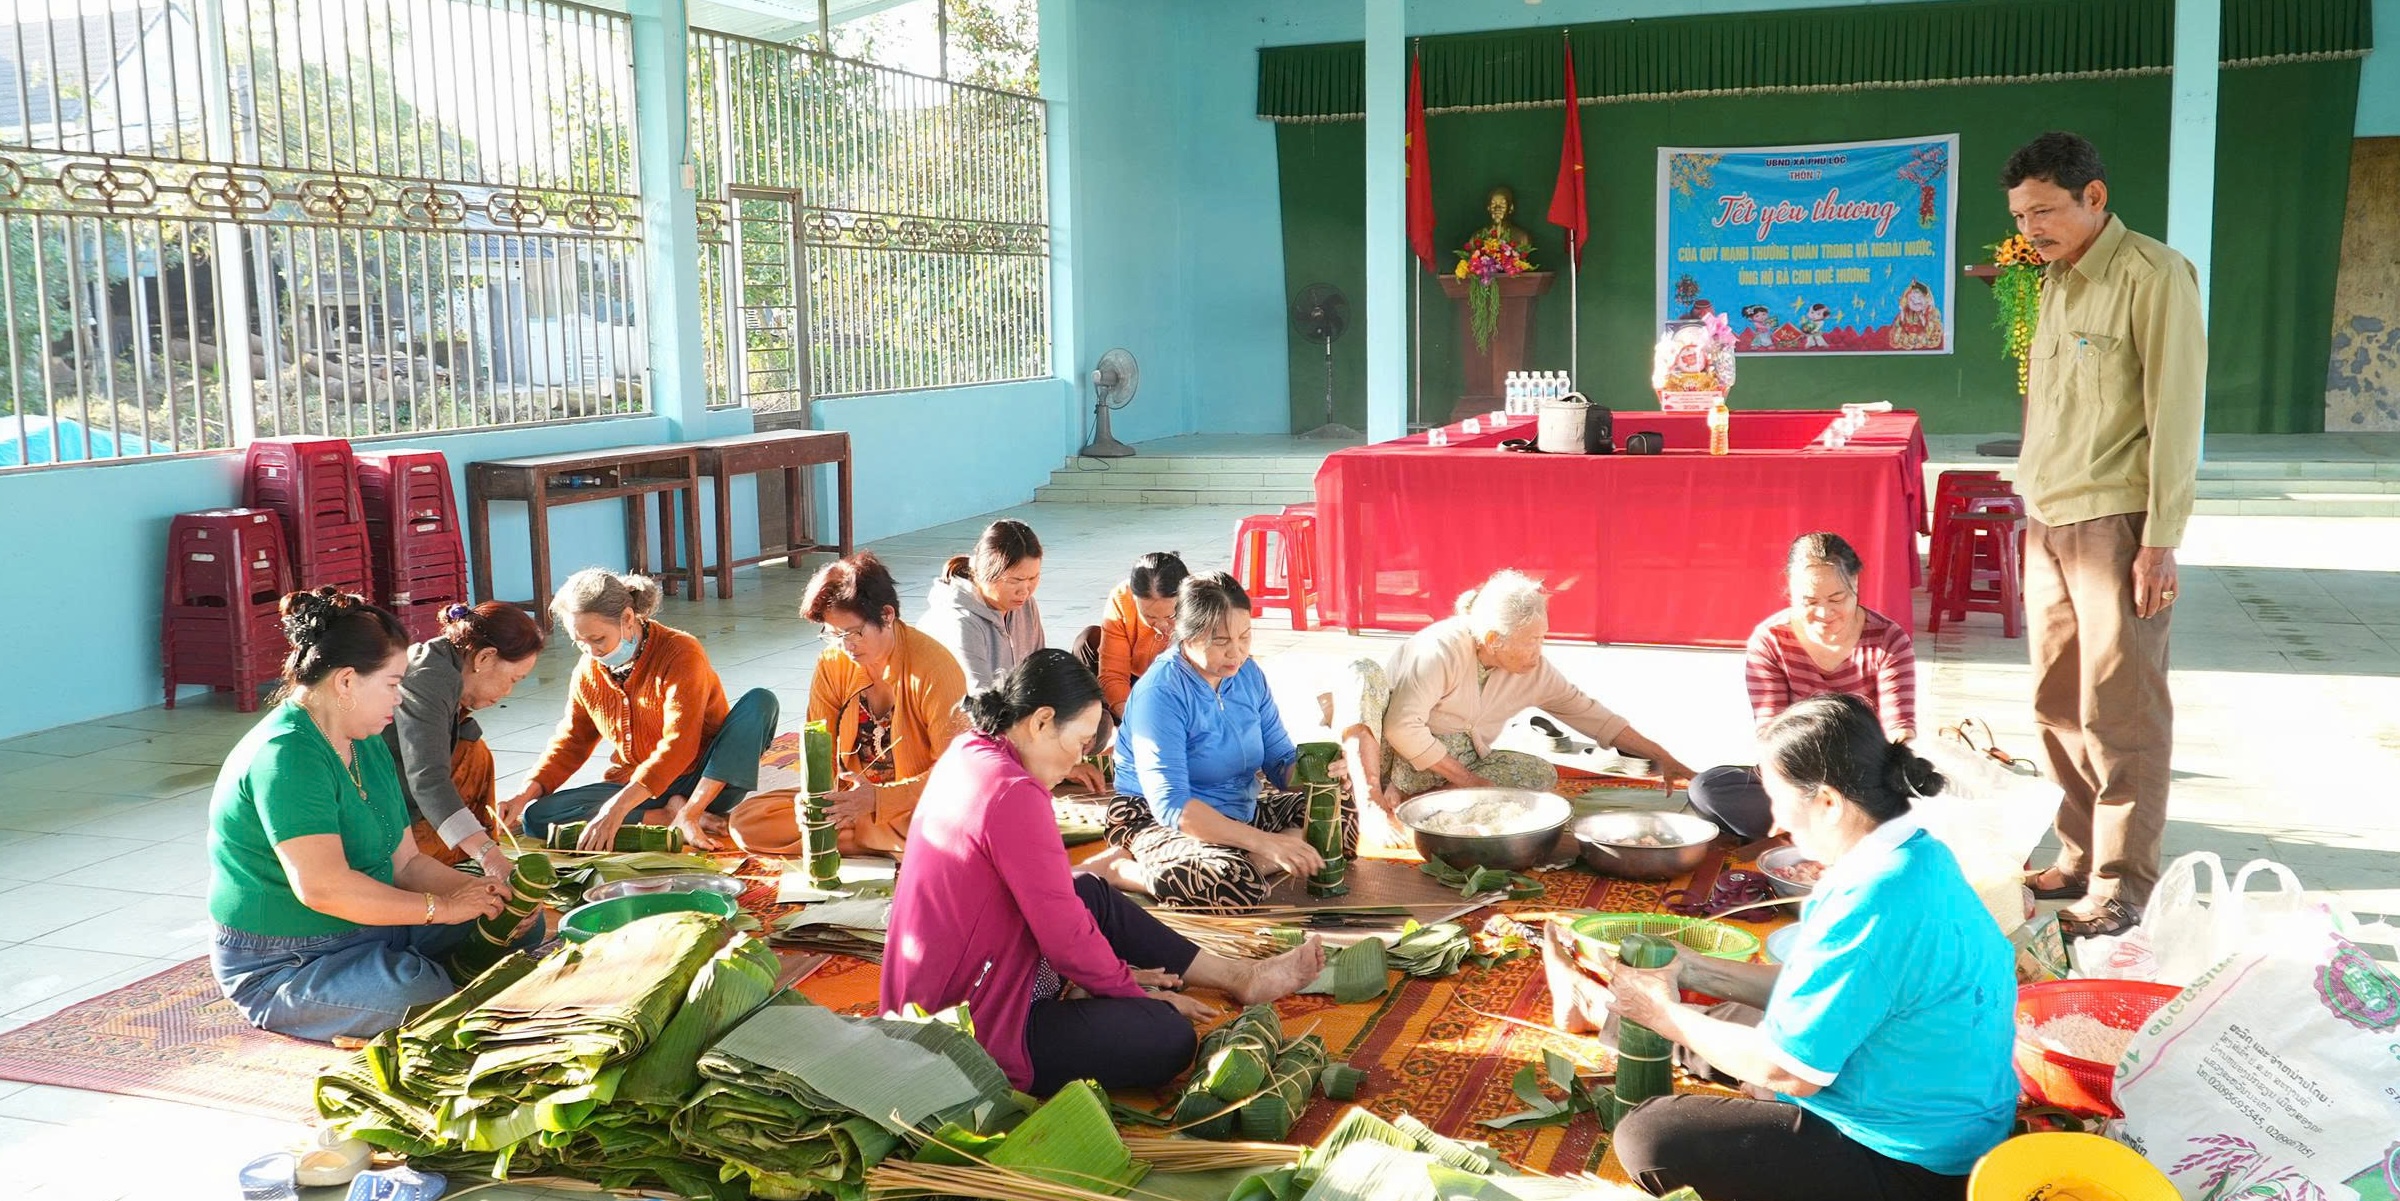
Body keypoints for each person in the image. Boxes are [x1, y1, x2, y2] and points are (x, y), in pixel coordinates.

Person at [1588, 693, 2016, 1201]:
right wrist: (1695, 969)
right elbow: (1825, 985)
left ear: (1829, 803)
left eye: (1778, 799)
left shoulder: (1873, 899)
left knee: (1649, 1135)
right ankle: (1607, 1011)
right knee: (1731, 1018)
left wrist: (1664, 1015)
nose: (1772, 824)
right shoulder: (1916, 854)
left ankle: (1619, 1016)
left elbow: (1786, 1072)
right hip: (1962, 1126)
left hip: (1909, 1168)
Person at [882, 649, 1327, 1095]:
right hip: (966, 1027)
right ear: (1040, 721)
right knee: (1167, 1035)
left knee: (1090, 891)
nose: (1076, 763)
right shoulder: (1015, 794)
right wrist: (1130, 992)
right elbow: (1064, 936)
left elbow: (1055, 908)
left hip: (948, 986)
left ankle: (1240, 977)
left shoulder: (971, 750)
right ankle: (1081, 996)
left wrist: (1110, 979)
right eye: (1077, 744)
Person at [2003, 131, 2204, 940]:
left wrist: (2162, 536)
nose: (2033, 227)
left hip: (2116, 521)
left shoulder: (2153, 276)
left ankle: (2123, 885)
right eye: (2022, 214)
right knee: (2057, 700)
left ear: (2095, 196)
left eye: (2046, 209)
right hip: (2047, 515)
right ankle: (2079, 852)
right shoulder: (2052, 280)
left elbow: (2176, 409)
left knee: (2121, 707)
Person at [208, 588, 539, 1042]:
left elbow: (405, 863)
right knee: (427, 996)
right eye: (392, 684)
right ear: (346, 681)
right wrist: (441, 910)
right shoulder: (286, 756)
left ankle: (416, 968)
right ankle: (408, 976)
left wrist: (479, 892)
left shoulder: (362, 738)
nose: (400, 699)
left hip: (373, 929)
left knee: (517, 923)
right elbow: (323, 889)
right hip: (291, 961)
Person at [1090, 573, 1355, 910]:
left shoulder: (1247, 673)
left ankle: (1242, 859)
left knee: (1338, 814)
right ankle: (1122, 869)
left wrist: (1321, 773)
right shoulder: (1162, 692)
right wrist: (1267, 844)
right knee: (1230, 883)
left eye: (1245, 637)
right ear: (1187, 635)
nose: (1237, 652)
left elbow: (1279, 762)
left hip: (1238, 809)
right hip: (1156, 817)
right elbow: (1172, 805)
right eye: (1220, 640)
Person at [1335, 570, 1694, 815]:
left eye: (1543, 637)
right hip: (1392, 759)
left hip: (1450, 770)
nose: (1540, 650)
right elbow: (1400, 727)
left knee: (1540, 774)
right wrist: (1470, 782)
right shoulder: (1441, 648)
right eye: (1532, 641)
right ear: (1493, 640)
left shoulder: (1531, 669)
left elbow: (1590, 714)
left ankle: (1427, 802)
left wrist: (1663, 756)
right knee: (1361, 673)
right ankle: (1379, 802)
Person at [499, 569, 779, 852]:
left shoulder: (680, 651)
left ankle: (692, 813)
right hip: (639, 788)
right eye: (579, 642)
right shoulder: (588, 672)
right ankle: (668, 817)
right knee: (537, 818)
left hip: (704, 781)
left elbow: (679, 746)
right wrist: (524, 795)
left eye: (598, 639)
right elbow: (571, 742)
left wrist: (617, 809)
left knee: (760, 702)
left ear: (628, 619)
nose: (591, 652)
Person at [727, 553, 968, 856]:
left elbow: (955, 773)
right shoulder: (833, 662)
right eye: (833, 634)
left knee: (952, 829)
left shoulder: (935, 669)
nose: (846, 646)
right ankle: (876, 843)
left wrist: (877, 800)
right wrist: (812, 800)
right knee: (746, 820)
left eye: (854, 633)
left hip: (915, 803)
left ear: (887, 615)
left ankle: (865, 840)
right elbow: (818, 747)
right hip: (850, 803)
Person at [1689, 533, 1917, 841]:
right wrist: (1786, 795)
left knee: (1928, 793)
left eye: (1837, 599)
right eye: (1809, 602)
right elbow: (1771, 732)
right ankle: (1831, 831)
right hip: (1800, 778)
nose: (1824, 614)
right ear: (1790, 593)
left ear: (1856, 584)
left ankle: (1816, 831)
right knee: (1709, 788)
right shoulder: (1771, 640)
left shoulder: (1889, 639)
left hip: (1864, 780)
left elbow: (1898, 727)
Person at [387, 602, 545, 877]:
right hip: (374, 806)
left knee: (474, 747)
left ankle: (465, 846)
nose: (508, 691)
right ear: (484, 658)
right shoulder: (429, 678)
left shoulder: (444, 661)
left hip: (398, 789)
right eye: (513, 679)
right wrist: (490, 857)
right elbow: (428, 780)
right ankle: (429, 854)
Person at [920, 518, 1047, 693]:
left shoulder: (1026, 606)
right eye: (1015, 581)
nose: (1025, 591)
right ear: (986, 573)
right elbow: (980, 700)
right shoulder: (961, 621)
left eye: (1033, 578)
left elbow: (1038, 672)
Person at [1085, 551, 1186, 721]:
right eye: (1150, 617)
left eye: (1171, 617)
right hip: (1135, 680)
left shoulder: (1202, 600)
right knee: (1088, 640)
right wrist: (1132, 719)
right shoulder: (1122, 598)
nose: (1161, 626)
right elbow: (1113, 674)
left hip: (1179, 683)